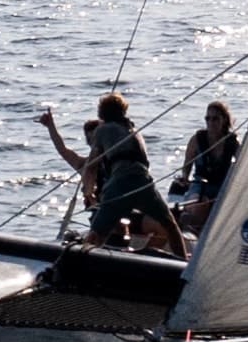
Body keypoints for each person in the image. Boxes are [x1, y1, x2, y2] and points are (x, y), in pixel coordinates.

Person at [42, 91, 185, 255]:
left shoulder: (102, 130)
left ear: (102, 113)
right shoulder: (133, 131)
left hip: (119, 186)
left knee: (96, 235)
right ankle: (183, 261)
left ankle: (80, 262)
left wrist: (88, 191)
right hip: (143, 183)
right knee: (170, 225)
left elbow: (91, 166)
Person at [172, 99, 242, 231]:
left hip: (221, 186)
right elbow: (187, 165)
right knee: (199, 204)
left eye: (215, 119)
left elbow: (241, 164)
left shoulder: (232, 142)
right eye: (207, 118)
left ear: (224, 120)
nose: (211, 122)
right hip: (200, 184)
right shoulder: (197, 139)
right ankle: (187, 226)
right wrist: (185, 177)